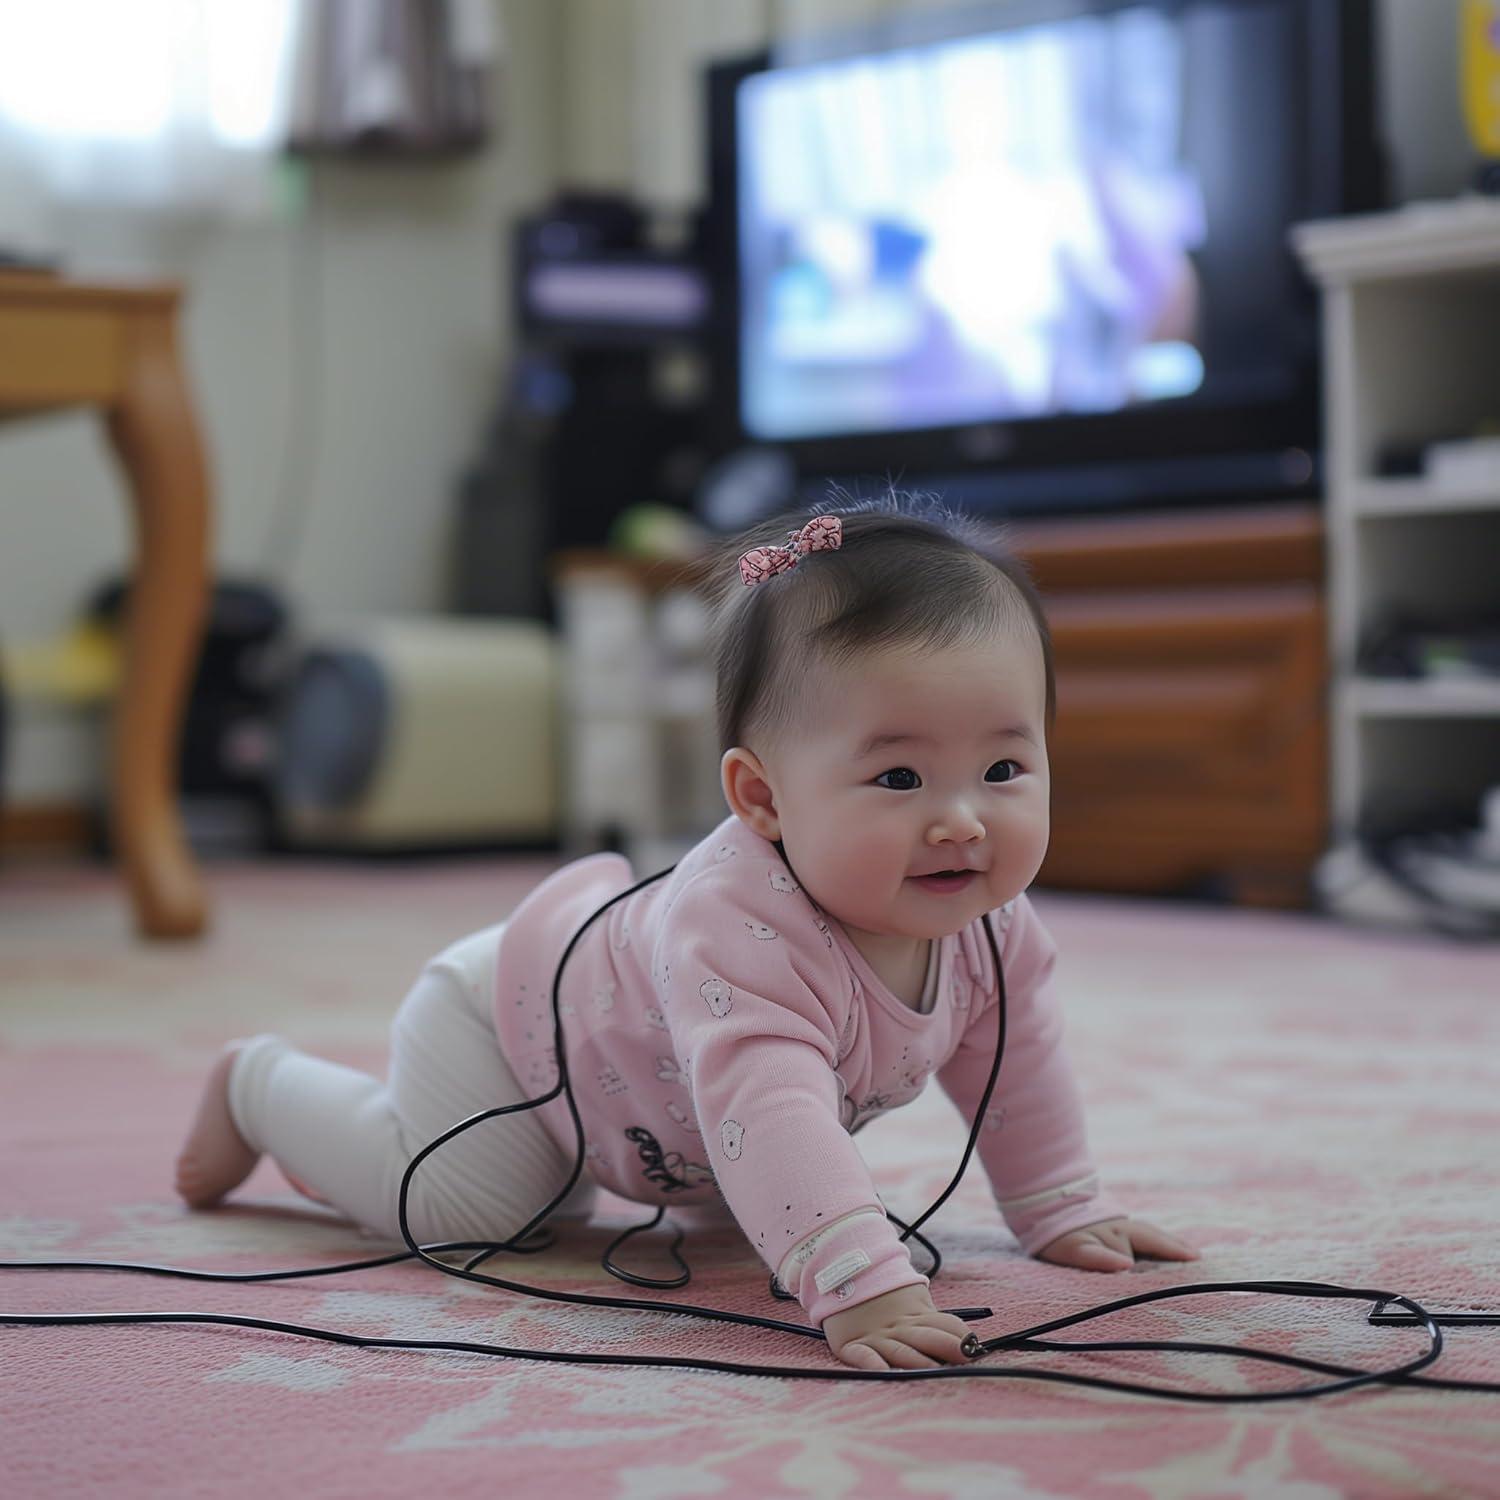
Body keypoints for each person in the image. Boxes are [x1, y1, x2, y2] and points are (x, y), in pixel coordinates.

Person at [174, 492, 1197, 1372]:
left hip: (666, 1118)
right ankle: (261, 1085)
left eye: (1005, 771)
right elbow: (773, 1106)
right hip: (511, 1036)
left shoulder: (991, 930)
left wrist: (1058, 1206)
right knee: (481, 1219)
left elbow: (1016, 1063)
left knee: (742, 1206)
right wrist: (860, 1288)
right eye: (898, 778)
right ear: (763, 798)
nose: (962, 819)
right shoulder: (737, 931)